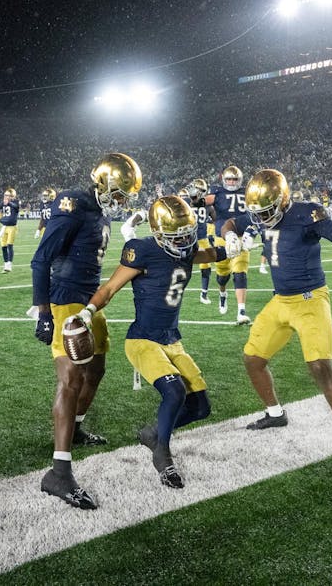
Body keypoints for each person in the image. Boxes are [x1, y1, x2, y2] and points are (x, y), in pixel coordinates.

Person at [69, 195, 222, 488]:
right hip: (142, 339)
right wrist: (88, 312)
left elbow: (209, 255)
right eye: (176, 237)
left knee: (201, 407)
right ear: (157, 232)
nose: (182, 243)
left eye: (186, 236)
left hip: (171, 340)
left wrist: (233, 247)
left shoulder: (185, 251)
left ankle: (154, 434)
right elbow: (111, 287)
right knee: (174, 391)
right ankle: (163, 456)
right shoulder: (142, 250)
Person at [221, 169, 332, 472]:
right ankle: (275, 414)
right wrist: (230, 236)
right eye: (258, 213)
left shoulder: (305, 214)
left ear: (283, 201)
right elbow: (232, 222)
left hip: (310, 300)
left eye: (267, 211)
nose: (262, 218)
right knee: (252, 358)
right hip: (280, 301)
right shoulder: (261, 214)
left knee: (319, 366)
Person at [29, 152, 142, 510]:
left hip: (89, 301)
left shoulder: (98, 211)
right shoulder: (74, 204)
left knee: (97, 369)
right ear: (104, 183)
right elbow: (40, 258)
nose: (122, 201)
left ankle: (74, 429)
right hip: (65, 300)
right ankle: (59, 473)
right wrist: (44, 311)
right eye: (120, 193)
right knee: (70, 380)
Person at [204, 165, 252, 324]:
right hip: (221, 238)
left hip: (240, 236)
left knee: (240, 271)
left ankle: (241, 311)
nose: (232, 182)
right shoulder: (217, 192)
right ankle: (222, 294)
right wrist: (195, 199)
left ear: (240, 180)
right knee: (222, 276)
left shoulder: (247, 192)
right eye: (229, 179)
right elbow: (203, 202)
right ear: (223, 179)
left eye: (235, 179)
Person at [184, 178, 217, 304]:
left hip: (202, 239)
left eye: (203, 191)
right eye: (200, 190)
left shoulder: (208, 205)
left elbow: (215, 219)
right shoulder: (186, 202)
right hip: (187, 239)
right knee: (181, 265)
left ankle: (204, 294)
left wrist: (212, 232)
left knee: (206, 267)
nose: (202, 193)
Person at [0, 188, 20, 273]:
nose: (6, 196)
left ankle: (10, 264)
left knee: (10, 245)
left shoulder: (15, 202)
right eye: (5, 195)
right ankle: (5, 264)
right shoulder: (4, 203)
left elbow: (16, 207)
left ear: (12, 196)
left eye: (8, 195)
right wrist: (2, 203)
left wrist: (9, 203)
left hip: (12, 227)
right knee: (3, 246)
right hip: (4, 227)